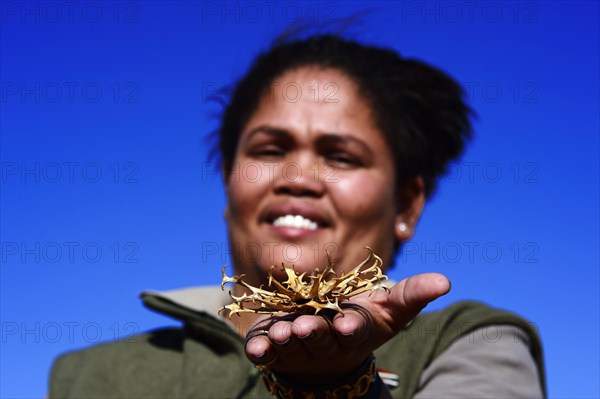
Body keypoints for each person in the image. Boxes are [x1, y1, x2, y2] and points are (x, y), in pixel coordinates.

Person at [49, 34, 546, 398]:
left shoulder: (471, 340)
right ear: (228, 179)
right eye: (269, 149)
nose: (298, 176)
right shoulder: (93, 375)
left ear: (406, 205)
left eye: (342, 156)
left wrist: (337, 387)